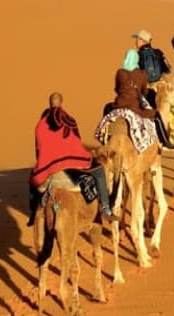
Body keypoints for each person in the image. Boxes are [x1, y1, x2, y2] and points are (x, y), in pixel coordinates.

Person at [28, 92, 112, 225]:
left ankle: (34, 211)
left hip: (47, 167)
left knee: (32, 180)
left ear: (50, 104)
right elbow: (77, 143)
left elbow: (38, 151)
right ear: (61, 103)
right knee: (100, 172)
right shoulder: (69, 120)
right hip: (72, 164)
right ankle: (106, 208)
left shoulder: (40, 125)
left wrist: (43, 164)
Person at [134, 29, 171, 107]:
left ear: (142, 40)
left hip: (146, 89)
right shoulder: (158, 52)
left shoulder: (137, 55)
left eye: (137, 39)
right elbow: (168, 69)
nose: (136, 41)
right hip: (161, 87)